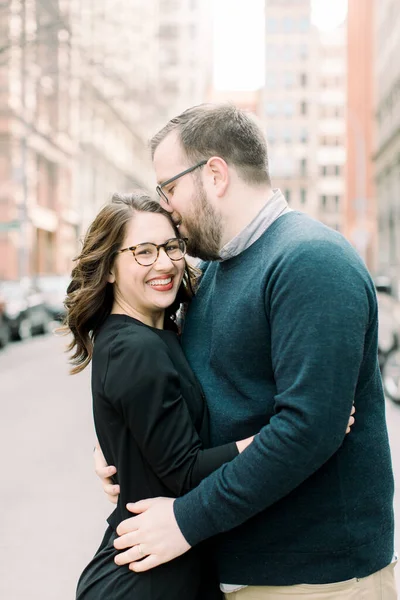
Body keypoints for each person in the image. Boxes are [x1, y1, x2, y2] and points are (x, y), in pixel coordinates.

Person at [96, 104, 397, 600]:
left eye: (169, 189)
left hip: (318, 581)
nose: (167, 209)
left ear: (214, 174)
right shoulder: (218, 269)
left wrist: (184, 521)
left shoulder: (310, 260)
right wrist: (126, 445)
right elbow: (182, 392)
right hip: (238, 573)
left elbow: (309, 430)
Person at [62, 191, 259, 600]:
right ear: (110, 268)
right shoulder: (135, 347)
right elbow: (184, 473)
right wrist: (284, 435)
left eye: (171, 247)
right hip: (146, 581)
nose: (165, 263)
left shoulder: (153, 333)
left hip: (162, 569)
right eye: (144, 252)